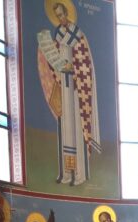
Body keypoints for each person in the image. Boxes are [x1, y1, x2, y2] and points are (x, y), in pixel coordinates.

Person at [38, 1, 101, 186]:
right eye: (57, 16)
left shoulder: (77, 34)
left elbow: (85, 62)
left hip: (76, 90)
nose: (61, 18)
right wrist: (48, 52)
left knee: (77, 129)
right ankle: (66, 173)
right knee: (64, 130)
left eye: (62, 14)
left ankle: (80, 174)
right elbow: (54, 60)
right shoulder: (58, 35)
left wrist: (74, 70)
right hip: (64, 87)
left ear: (67, 13)